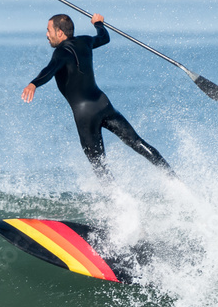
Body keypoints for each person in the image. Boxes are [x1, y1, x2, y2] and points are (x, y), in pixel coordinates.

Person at [22, 13, 173, 182]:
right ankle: (174, 178)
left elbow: (49, 70)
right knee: (137, 142)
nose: (46, 35)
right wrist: (99, 24)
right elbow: (104, 37)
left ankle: (117, 202)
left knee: (99, 165)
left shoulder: (61, 52)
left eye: (48, 30)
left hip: (86, 116)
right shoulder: (86, 41)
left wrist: (34, 83)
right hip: (103, 105)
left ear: (59, 32)